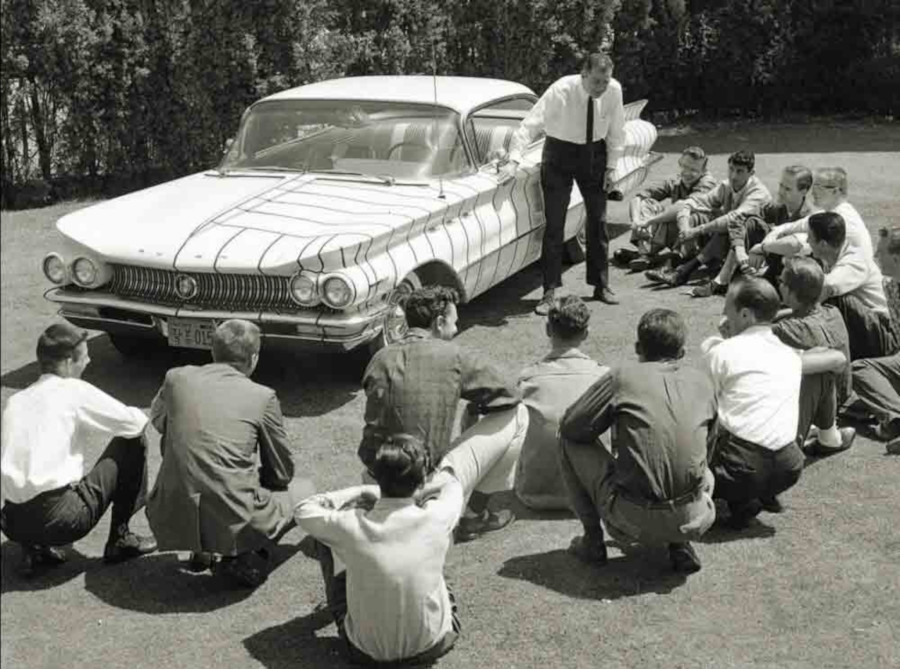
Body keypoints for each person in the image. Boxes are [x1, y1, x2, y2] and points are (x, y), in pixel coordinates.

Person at [297, 419, 524, 665]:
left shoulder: (350, 523)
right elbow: (452, 484)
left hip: (365, 653)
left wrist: (362, 491)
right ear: (422, 479)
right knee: (432, 558)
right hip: (434, 644)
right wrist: (421, 492)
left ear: (375, 476)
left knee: (324, 539)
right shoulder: (438, 515)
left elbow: (303, 509)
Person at [147, 319, 314, 588]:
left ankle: (201, 543)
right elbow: (282, 472)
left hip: (169, 509)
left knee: (185, 448)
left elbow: (159, 423)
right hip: (233, 512)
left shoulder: (176, 377)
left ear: (212, 351)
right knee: (303, 490)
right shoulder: (262, 396)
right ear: (254, 358)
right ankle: (244, 555)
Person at [558, 309, 718, 574]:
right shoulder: (702, 382)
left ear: (637, 347)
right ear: (681, 353)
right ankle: (679, 544)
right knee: (699, 467)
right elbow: (708, 449)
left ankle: (592, 541)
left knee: (565, 439)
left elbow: (571, 426)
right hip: (697, 517)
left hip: (631, 521)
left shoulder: (622, 377)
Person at [360, 285, 525, 541]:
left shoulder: (380, 357)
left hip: (376, 476)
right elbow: (511, 394)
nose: (456, 329)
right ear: (439, 322)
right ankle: (472, 514)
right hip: (422, 483)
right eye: (453, 322)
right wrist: (475, 406)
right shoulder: (453, 355)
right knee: (519, 414)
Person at [0, 322, 156, 576]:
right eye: (84, 355)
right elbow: (134, 423)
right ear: (68, 362)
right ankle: (120, 538)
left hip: (11, 522)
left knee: (31, 477)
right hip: (59, 519)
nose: (89, 360)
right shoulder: (72, 390)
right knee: (132, 442)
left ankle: (33, 547)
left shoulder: (15, 401)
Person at [702, 278, 848, 529]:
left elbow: (702, 410)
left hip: (739, 469)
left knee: (704, 424)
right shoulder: (788, 354)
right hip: (789, 468)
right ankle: (758, 492)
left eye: (727, 307)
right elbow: (836, 359)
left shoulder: (722, 353)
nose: (724, 314)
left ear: (745, 314)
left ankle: (740, 497)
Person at [506, 52, 626, 313]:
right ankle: (549, 292)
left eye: (605, 81)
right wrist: (514, 157)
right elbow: (530, 124)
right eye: (596, 81)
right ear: (583, 74)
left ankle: (600, 285)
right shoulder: (560, 89)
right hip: (559, 154)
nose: (601, 87)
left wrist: (612, 166)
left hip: (595, 153)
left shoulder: (613, 90)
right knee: (554, 225)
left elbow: (617, 129)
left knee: (599, 221)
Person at [514, 296, 607, 510]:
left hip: (535, 493)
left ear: (548, 330)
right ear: (586, 333)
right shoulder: (604, 377)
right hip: (595, 493)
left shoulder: (528, 378)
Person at [646, 150, 771, 292]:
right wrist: (685, 228)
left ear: (751, 173)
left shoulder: (758, 193)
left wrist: (696, 231)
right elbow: (692, 202)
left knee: (726, 227)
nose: (733, 176)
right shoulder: (726, 186)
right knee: (697, 216)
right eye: (731, 169)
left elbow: (733, 220)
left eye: (740, 171)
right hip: (730, 244)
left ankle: (684, 271)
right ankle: (670, 265)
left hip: (753, 249)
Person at [771, 257, 855, 460]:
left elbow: (754, 332)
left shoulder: (788, 330)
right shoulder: (832, 312)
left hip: (819, 394)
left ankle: (791, 443)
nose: (778, 285)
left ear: (791, 292)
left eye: (781, 282)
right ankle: (828, 435)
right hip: (841, 394)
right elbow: (798, 312)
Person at [805, 211, 898, 360]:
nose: (807, 240)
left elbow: (827, 286)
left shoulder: (855, 260)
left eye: (810, 237)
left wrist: (794, 314)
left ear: (823, 244)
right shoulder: (831, 257)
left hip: (885, 335)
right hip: (868, 328)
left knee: (838, 300)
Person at [616, 146, 717, 271]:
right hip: (678, 234)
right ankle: (644, 253)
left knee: (680, 213)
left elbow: (683, 207)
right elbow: (638, 198)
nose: (686, 172)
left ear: (703, 171)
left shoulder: (708, 183)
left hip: (701, 238)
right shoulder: (677, 179)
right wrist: (637, 221)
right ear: (680, 164)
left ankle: (660, 256)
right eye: (684, 167)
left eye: (693, 170)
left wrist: (650, 221)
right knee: (646, 203)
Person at [851, 227, 900, 453]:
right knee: (860, 369)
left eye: (880, 253)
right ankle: (895, 418)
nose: (875, 258)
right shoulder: (890, 285)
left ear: (897, 259)